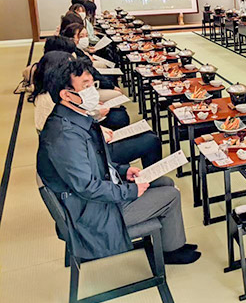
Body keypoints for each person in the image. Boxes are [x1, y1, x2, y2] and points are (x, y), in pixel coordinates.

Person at [37, 56, 200, 264]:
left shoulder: (74, 117)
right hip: (92, 213)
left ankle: (170, 243)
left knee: (164, 183)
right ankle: (171, 251)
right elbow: (87, 187)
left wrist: (123, 171)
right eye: (86, 86)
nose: (93, 91)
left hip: (99, 195)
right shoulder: (64, 135)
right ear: (66, 95)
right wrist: (129, 191)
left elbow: (96, 162)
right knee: (170, 196)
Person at [32, 51, 161, 168]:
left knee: (142, 131)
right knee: (149, 139)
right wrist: (97, 125)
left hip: (95, 142)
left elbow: (78, 118)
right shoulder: (51, 108)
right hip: (96, 153)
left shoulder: (58, 97)